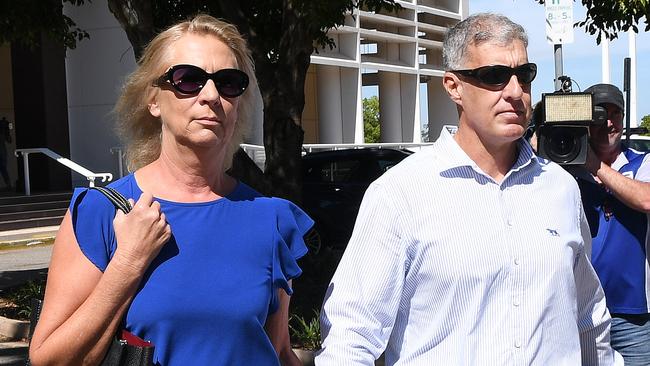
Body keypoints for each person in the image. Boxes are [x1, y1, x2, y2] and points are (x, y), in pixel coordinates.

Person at [316, 13, 620, 365]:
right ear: (453, 86)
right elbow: (351, 336)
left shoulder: (561, 189)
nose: (514, 92)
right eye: (494, 77)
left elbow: (588, 316)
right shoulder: (400, 194)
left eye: (524, 75)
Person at [29, 15, 313, 365]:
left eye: (228, 83)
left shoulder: (272, 218)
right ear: (153, 100)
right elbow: (49, 360)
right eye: (188, 80)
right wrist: (128, 262)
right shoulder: (102, 213)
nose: (211, 95)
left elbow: (279, 351)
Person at [576, 83, 650, 365]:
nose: (607, 123)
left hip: (633, 313)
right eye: (598, 115)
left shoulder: (641, 162)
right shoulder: (566, 169)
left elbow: (645, 199)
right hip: (581, 310)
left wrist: (595, 166)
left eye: (615, 114)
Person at [0, 116, 12, 189]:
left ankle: (8, 184)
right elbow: (9, 140)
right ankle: (8, 184)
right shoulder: (3, 131)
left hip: (2, 152)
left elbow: (9, 140)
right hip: (2, 152)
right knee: (3, 168)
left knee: (3, 168)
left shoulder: (3, 132)